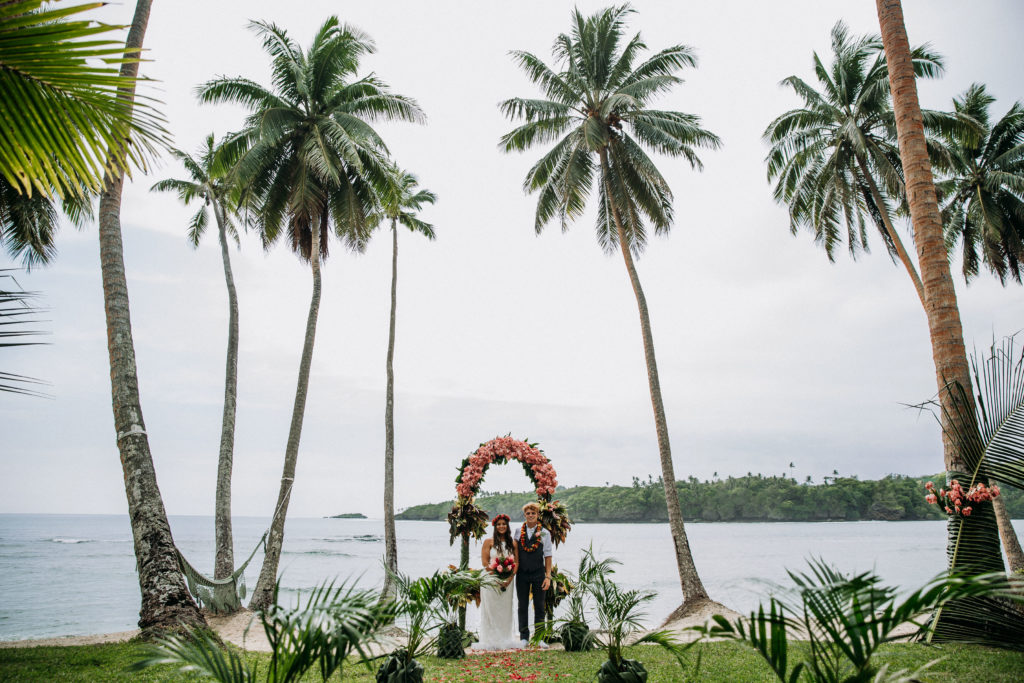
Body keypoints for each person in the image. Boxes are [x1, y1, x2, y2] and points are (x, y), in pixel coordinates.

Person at [476, 514, 521, 650]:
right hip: (490, 580)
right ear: (495, 527)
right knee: (491, 609)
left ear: (507, 526)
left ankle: (505, 638)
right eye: (499, 524)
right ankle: (490, 640)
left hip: (508, 581)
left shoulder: (512, 543)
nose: (501, 526)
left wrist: (508, 579)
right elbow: (485, 562)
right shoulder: (488, 542)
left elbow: (516, 562)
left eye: (504, 524)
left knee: (505, 609)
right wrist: (495, 577)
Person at [515, 502, 552, 648]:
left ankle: (539, 637)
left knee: (539, 606)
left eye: (533, 513)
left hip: (538, 573)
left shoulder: (544, 533)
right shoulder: (518, 531)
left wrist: (547, 576)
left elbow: (548, 555)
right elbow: (514, 551)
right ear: (525, 515)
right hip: (522, 574)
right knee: (522, 605)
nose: (531, 515)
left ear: (538, 515)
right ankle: (524, 637)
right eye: (528, 513)